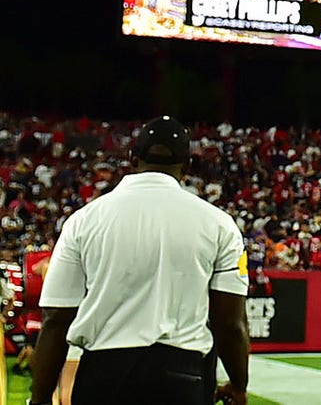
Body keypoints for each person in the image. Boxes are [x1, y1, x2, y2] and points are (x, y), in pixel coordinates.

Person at [28, 116, 250, 405]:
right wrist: (238, 383)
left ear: (132, 158)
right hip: (183, 377)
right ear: (188, 166)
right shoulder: (219, 224)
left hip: (103, 376)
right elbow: (230, 323)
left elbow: (56, 320)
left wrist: (40, 400)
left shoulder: (83, 221)